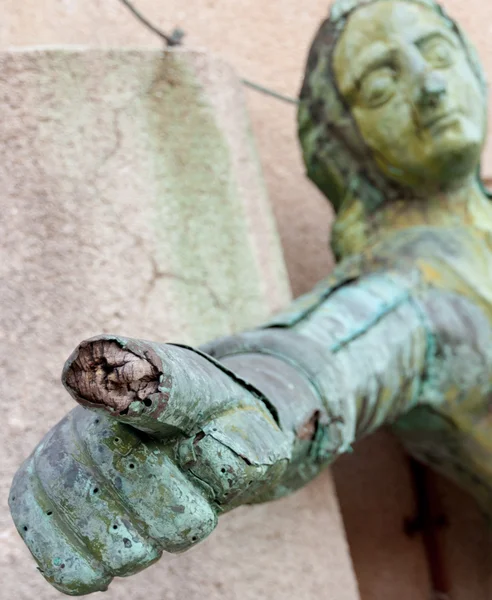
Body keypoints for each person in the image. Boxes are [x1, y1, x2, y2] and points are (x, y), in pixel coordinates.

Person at [10, 0, 492, 594]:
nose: (432, 85)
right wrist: (244, 398)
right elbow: (331, 352)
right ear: (345, 140)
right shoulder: (412, 286)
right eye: (380, 84)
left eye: (439, 53)